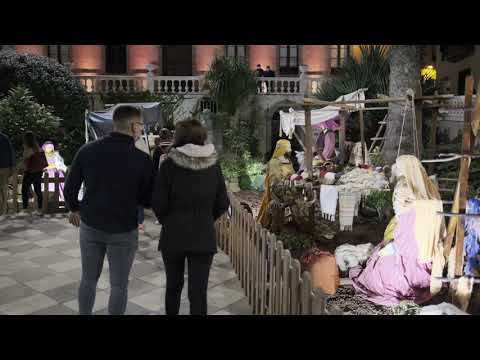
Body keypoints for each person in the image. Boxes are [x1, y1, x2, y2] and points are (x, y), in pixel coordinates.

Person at [64, 105, 154, 315]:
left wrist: (74, 209)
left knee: (88, 279)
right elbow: (147, 199)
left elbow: (70, 187)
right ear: (133, 126)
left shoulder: (87, 150)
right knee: (119, 285)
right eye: (140, 125)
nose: (141, 130)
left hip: (91, 225)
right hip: (123, 228)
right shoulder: (142, 159)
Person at [152, 118, 229, 315]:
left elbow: (159, 203)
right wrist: (204, 218)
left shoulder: (169, 164)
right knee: (198, 292)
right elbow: (222, 203)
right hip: (203, 234)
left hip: (173, 233)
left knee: (173, 287)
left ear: (179, 137)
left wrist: (169, 220)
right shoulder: (213, 165)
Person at [256, 139, 295, 228]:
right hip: (278, 189)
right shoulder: (274, 162)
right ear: (282, 148)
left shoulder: (288, 160)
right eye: (288, 148)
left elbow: (292, 173)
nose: (290, 150)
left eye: (290, 147)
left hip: (289, 187)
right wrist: (286, 178)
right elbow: (274, 178)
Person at [20, 132, 48, 216]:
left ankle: (25, 209)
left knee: (24, 190)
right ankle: (39, 209)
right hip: (38, 171)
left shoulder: (29, 149)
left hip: (30, 172)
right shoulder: (38, 148)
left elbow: (24, 161)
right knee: (38, 190)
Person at [0, 131, 16, 220]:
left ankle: (2, 210)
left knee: (3, 189)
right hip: (5, 167)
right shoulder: (4, 137)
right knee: (4, 188)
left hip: (4, 167)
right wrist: (12, 166)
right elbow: (11, 152)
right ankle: (3, 210)